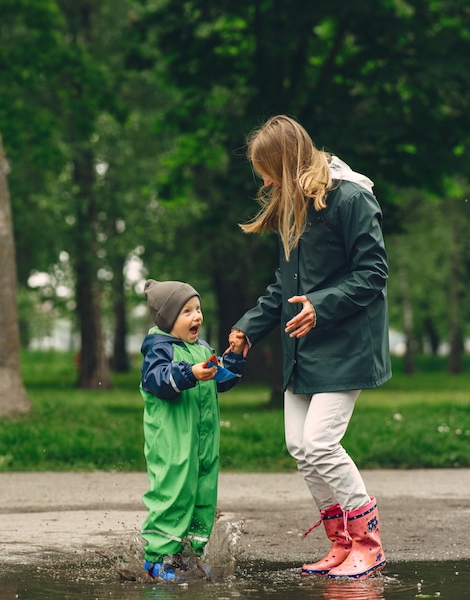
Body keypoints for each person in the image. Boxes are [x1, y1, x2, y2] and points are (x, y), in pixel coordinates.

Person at [228, 114, 391, 580]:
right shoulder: (293, 205)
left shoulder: (352, 198)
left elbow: (373, 274)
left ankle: (368, 543)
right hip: (304, 347)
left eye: (268, 169)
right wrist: (248, 327)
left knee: (321, 443)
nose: (264, 180)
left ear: (288, 159)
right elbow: (284, 287)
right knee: (299, 445)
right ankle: (340, 544)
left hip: (348, 345)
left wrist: (320, 305)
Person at [140, 279, 246, 581]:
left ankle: (190, 554)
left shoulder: (201, 349)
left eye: (198, 309)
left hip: (203, 440)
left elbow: (222, 379)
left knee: (203, 493)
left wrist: (235, 356)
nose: (196, 316)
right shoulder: (158, 349)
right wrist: (190, 373)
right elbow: (157, 379)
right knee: (173, 492)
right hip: (173, 442)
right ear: (168, 318)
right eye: (187, 311)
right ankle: (157, 557)